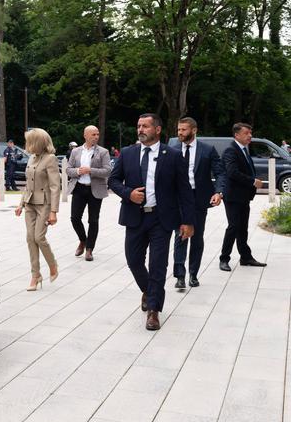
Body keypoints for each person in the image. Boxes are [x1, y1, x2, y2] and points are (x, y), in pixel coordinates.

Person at [108, 113, 194, 331]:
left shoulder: (173, 155)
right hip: (134, 217)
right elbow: (113, 180)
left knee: (157, 264)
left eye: (145, 126)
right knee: (133, 260)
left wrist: (188, 221)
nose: (140, 129)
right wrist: (128, 194)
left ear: (157, 129)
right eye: (138, 126)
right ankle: (148, 291)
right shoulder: (127, 153)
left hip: (161, 218)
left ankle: (153, 310)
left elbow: (184, 191)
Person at [171, 117, 225, 289]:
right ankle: (179, 275)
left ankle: (193, 274)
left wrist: (218, 192)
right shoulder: (172, 150)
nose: (180, 133)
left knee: (197, 237)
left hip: (199, 198)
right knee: (181, 235)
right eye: (179, 130)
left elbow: (220, 172)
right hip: (179, 198)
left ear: (194, 130)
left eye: (184, 130)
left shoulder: (207, 150)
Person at [15, 128, 60, 291]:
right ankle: (35, 275)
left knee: (39, 237)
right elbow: (28, 184)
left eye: (29, 141)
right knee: (30, 238)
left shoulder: (50, 159)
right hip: (30, 203)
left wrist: (53, 211)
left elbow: (55, 186)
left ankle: (52, 264)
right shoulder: (31, 158)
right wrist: (20, 204)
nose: (27, 144)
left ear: (38, 142)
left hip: (44, 204)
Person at [219, 122, 267, 271]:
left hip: (243, 196)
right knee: (233, 227)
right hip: (233, 196)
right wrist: (253, 181)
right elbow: (232, 173)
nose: (250, 136)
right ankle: (224, 259)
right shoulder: (230, 150)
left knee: (243, 228)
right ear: (237, 135)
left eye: (250, 133)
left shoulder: (244, 150)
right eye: (246, 133)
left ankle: (245, 257)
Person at [66, 125, 111, 261]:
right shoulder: (76, 152)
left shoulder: (103, 152)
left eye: (97, 134)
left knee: (93, 220)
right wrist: (79, 171)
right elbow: (68, 169)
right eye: (93, 135)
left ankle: (89, 249)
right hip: (79, 188)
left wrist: (90, 170)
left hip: (95, 189)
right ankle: (83, 240)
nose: (96, 137)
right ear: (85, 136)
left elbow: (107, 170)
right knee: (74, 218)